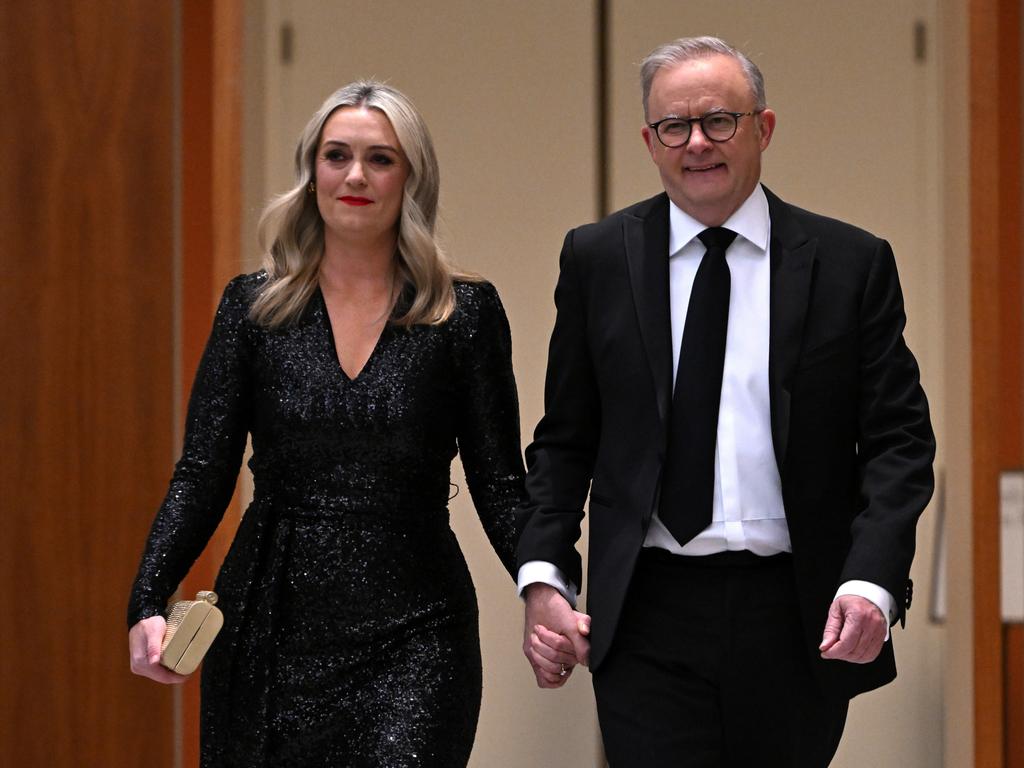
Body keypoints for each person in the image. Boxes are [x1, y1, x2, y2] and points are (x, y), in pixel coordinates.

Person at [516, 36, 936, 766]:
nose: (697, 143)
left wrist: (871, 581)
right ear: (650, 142)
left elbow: (899, 442)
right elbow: (565, 441)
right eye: (674, 127)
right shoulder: (598, 259)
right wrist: (544, 575)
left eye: (720, 120)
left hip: (796, 609)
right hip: (648, 608)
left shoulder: (849, 263)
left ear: (763, 129)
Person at [127, 81, 525, 767]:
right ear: (311, 173)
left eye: (381, 159)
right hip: (270, 627)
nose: (356, 176)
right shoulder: (253, 309)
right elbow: (203, 471)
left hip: (417, 631)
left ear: (411, 177)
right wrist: (146, 598)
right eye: (337, 155)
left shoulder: (463, 314)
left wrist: (545, 585)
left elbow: (499, 482)